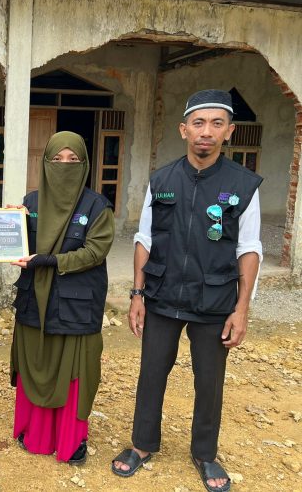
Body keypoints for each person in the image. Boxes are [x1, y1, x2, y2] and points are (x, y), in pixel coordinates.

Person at [111, 89, 262, 492]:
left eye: (216, 124)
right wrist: (138, 295)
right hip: (161, 298)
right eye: (198, 123)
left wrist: (242, 308)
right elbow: (145, 237)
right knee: (151, 373)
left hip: (214, 301)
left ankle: (205, 453)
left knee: (209, 381)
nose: (206, 132)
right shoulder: (161, 179)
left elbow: (249, 248)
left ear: (229, 131)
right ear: (184, 130)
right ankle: (142, 445)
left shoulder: (243, 185)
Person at [8, 131, 115, 465]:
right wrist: (11, 223)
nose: (65, 166)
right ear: (45, 163)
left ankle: (71, 440)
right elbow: (19, 244)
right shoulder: (32, 202)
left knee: (73, 369)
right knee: (35, 361)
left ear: (84, 165)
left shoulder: (98, 206)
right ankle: (35, 433)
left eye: (73, 159)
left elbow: (95, 251)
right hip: (34, 302)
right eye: (57, 159)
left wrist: (52, 261)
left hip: (75, 304)